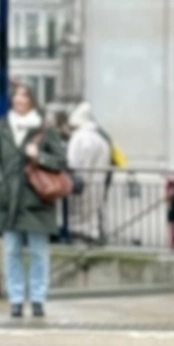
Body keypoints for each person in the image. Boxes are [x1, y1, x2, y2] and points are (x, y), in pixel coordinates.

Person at [0, 83, 67, 318]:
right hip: (9, 199)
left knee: (38, 251)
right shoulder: (3, 126)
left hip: (37, 198)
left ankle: (38, 298)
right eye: (16, 95)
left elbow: (61, 161)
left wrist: (39, 156)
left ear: (32, 99)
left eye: (24, 95)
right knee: (11, 250)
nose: (19, 99)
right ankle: (16, 299)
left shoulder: (45, 128)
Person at [66, 101, 111, 243]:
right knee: (93, 210)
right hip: (97, 184)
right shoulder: (100, 137)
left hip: (81, 185)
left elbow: (74, 163)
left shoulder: (80, 137)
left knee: (80, 214)